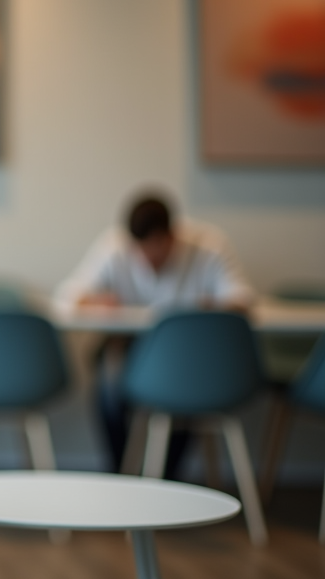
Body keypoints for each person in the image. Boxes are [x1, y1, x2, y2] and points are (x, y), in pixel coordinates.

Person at [55, 191, 254, 474]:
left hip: (189, 359)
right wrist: (96, 301)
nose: (149, 257)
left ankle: (166, 477)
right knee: (108, 384)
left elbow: (242, 300)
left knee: (187, 394)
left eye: (157, 247)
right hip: (129, 353)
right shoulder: (115, 247)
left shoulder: (208, 246)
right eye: (142, 249)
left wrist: (207, 307)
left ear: (173, 234)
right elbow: (67, 297)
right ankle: (120, 474)